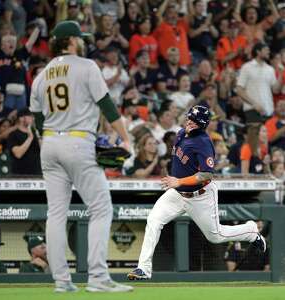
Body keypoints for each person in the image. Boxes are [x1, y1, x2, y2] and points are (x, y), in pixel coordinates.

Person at [29, 20, 133, 293]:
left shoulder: (41, 75)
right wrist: (125, 137)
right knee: (101, 208)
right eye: (80, 38)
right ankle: (98, 278)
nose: (83, 41)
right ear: (71, 41)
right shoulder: (86, 66)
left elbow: (37, 120)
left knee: (56, 214)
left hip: (49, 144)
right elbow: (106, 105)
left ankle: (62, 282)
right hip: (78, 141)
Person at [127, 105, 266, 280]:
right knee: (154, 220)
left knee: (215, 236)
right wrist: (174, 178)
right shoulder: (180, 134)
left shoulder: (203, 142)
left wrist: (178, 181)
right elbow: (180, 161)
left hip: (200, 195)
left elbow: (207, 174)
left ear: (202, 124)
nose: (190, 123)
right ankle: (143, 269)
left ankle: (251, 231)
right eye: (189, 119)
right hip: (177, 193)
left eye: (194, 121)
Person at [236, 42, 281, 123]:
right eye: (266, 50)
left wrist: (282, 75)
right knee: (254, 135)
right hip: (253, 110)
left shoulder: (270, 69)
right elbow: (239, 89)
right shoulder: (247, 67)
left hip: (269, 111)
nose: (268, 52)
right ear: (258, 52)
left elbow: (275, 90)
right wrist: (254, 104)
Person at [7, 108, 41, 176]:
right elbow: (18, 154)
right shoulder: (13, 135)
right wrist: (30, 138)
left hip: (37, 174)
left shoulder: (36, 133)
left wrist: (36, 132)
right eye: (31, 116)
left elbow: (44, 151)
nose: (33, 118)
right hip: (20, 175)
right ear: (22, 118)